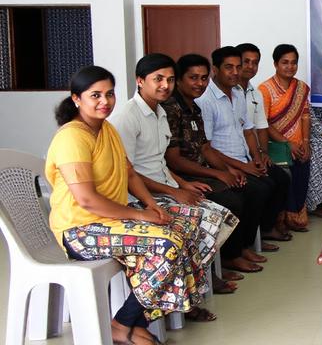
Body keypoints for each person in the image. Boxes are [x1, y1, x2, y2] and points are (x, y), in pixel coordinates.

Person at [46, 66, 210, 345]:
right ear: (77, 99)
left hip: (110, 222)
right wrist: (141, 215)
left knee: (188, 229)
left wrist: (152, 206)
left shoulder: (106, 129)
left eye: (109, 94)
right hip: (81, 229)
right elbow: (87, 199)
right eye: (95, 95)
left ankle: (133, 321)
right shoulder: (72, 137)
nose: (104, 101)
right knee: (167, 245)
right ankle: (123, 325)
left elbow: (130, 173)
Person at [110, 54, 237, 315]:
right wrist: (173, 192)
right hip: (141, 196)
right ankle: (179, 301)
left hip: (165, 186)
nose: (165, 86)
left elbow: (160, 162)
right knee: (198, 222)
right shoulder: (127, 116)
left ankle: (189, 291)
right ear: (140, 80)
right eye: (158, 79)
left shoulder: (160, 112)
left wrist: (182, 185)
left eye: (169, 80)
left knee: (220, 215)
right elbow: (128, 174)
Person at [163, 53, 276, 277]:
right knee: (233, 199)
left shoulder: (193, 107)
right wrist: (218, 173)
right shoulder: (171, 109)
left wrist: (228, 171)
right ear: (180, 79)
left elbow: (205, 147)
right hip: (181, 176)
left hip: (204, 168)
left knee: (255, 187)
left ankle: (241, 248)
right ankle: (229, 257)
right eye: (193, 78)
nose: (200, 83)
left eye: (203, 78)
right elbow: (174, 160)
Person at [196, 47, 292, 242]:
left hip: (246, 159)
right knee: (259, 189)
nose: (235, 72)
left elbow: (248, 130)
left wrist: (257, 158)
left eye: (238, 67)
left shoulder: (239, 95)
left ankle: (263, 231)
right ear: (215, 69)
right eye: (229, 67)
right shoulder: (205, 101)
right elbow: (207, 147)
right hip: (223, 163)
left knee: (281, 178)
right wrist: (242, 167)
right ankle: (241, 249)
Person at [258, 44, 312, 232]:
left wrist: (305, 142)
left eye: (294, 63)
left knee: (300, 181)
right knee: (285, 183)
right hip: (276, 146)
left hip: (300, 143)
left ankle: (296, 218)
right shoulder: (264, 89)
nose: (290, 67)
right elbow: (263, 123)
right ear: (275, 64)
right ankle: (281, 221)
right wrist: (287, 143)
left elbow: (305, 115)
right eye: (285, 62)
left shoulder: (301, 88)